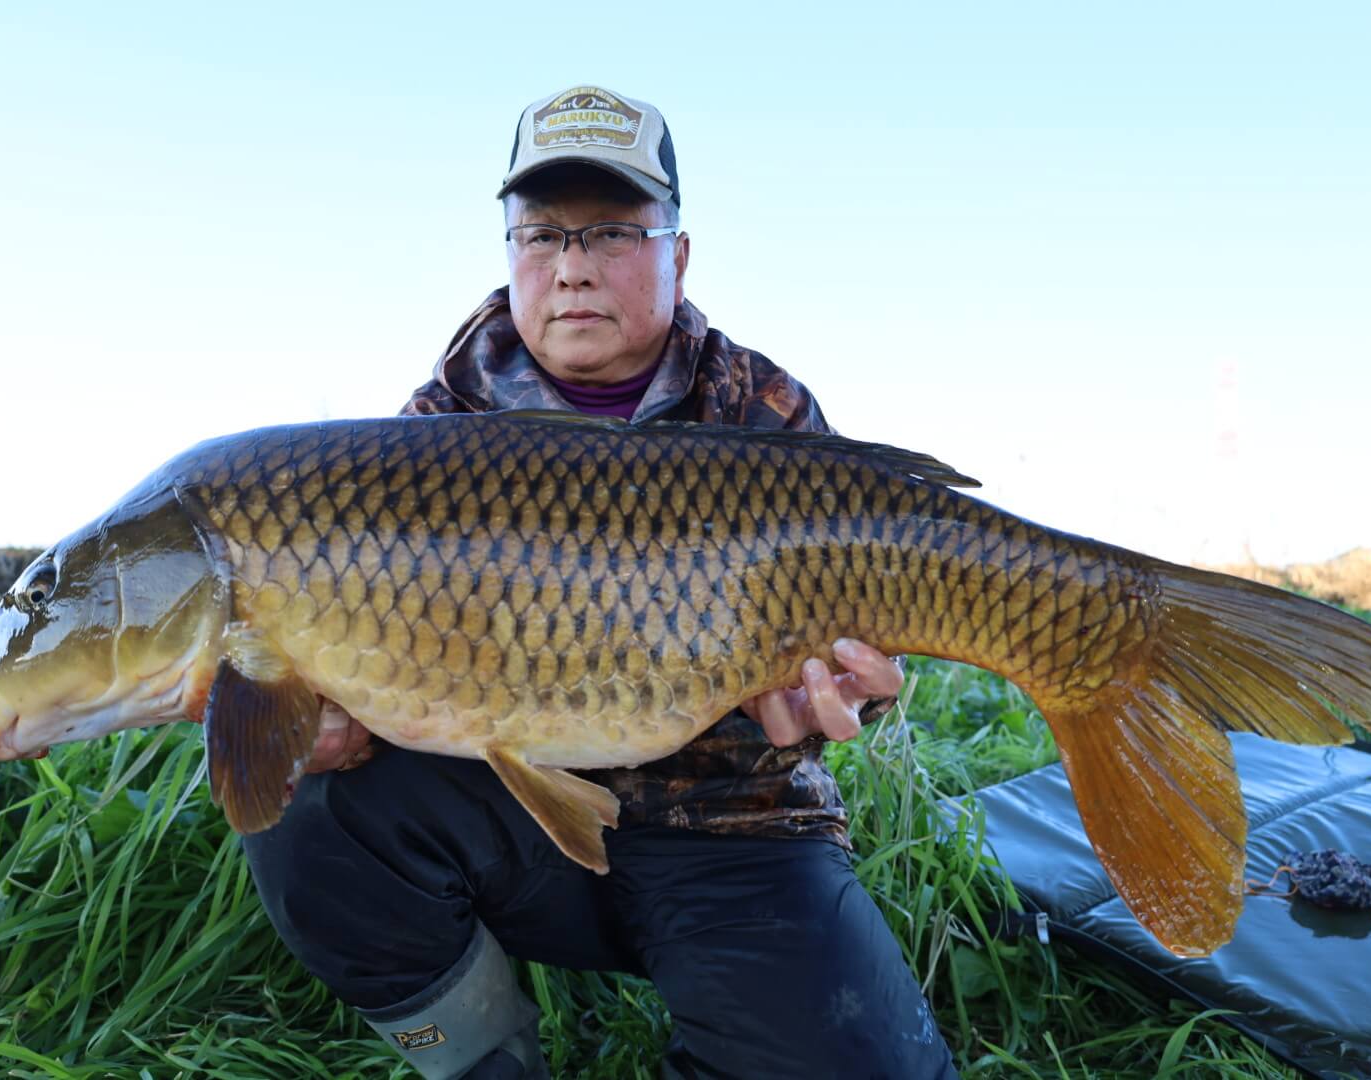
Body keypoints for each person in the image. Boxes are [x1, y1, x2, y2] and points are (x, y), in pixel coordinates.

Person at [242, 85, 959, 1080]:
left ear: (679, 252)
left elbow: (852, 678)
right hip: (509, 820)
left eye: (613, 230)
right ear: (510, 253)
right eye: (540, 235)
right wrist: (316, 722)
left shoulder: (764, 412)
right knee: (306, 811)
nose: (572, 267)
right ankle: (486, 1059)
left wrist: (841, 700)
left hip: (733, 831)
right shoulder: (426, 436)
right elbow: (330, 681)